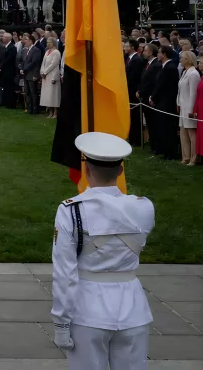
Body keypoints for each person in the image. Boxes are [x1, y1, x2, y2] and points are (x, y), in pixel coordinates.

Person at [51, 132, 153, 369]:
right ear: (120, 170)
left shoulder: (71, 210)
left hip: (88, 311)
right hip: (134, 309)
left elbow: (64, 273)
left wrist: (61, 323)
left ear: (86, 170)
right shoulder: (144, 207)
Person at [152, 46, 181, 160]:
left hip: (167, 102)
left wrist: (153, 97)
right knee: (163, 128)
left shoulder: (170, 67)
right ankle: (165, 151)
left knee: (168, 128)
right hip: (162, 101)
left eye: (159, 53)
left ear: (164, 54)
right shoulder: (165, 67)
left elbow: (162, 85)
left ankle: (170, 152)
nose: (157, 55)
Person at [175, 51, 201, 165]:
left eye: (183, 58)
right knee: (183, 132)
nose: (180, 60)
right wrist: (178, 103)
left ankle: (194, 158)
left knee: (191, 133)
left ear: (189, 60)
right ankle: (185, 157)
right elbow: (180, 90)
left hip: (189, 107)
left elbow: (193, 94)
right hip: (182, 106)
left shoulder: (193, 74)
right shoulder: (185, 72)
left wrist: (191, 110)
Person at [123, 40, 145, 146]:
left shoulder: (137, 60)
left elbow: (135, 77)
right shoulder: (128, 58)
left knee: (135, 117)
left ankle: (136, 139)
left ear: (132, 47)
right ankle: (131, 137)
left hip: (133, 92)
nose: (124, 47)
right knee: (130, 116)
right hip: (128, 91)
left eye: (126, 45)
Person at [40, 37, 62, 118]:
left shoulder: (56, 52)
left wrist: (45, 72)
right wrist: (42, 72)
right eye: (47, 42)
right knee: (48, 95)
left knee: (53, 94)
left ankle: (55, 112)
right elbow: (43, 62)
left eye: (50, 42)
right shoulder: (47, 52)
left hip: (52, 75)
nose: (48, 44)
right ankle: (50, 111)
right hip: (45, 76)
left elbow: (53, 64)